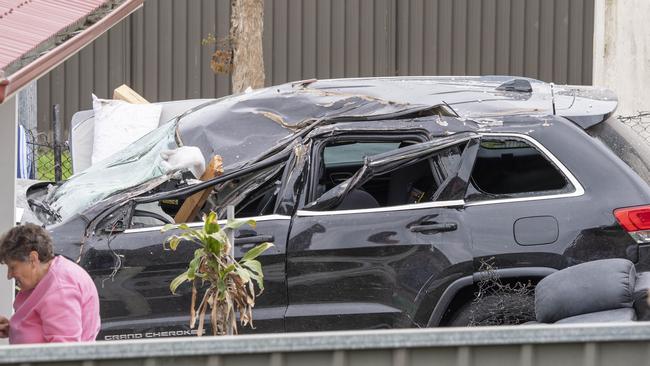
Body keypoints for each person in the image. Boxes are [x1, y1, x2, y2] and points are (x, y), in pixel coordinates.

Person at [0, 223, 100, 344]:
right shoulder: (48, 277)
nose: (9, 275)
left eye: (12, 267)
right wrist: (14, 329)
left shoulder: (60, 288)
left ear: (33, 259)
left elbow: (64, 352)